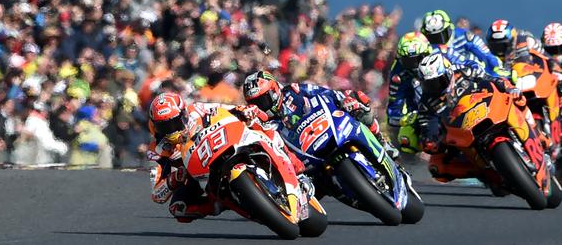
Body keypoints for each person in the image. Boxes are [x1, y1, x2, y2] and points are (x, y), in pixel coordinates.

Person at [147, 92, 310, 223]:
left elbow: (223, 108)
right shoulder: (156, 150)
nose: (171, 129)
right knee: (178, 208)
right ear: (156, 126)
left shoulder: (196, 109)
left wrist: (242, 110)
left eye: (174, 122)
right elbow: (156, 195)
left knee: (260, 125)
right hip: (197, 174)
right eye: (165, 126)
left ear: (183, 114)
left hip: (224, 142)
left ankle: (297, 169)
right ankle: (220, 204)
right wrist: (173, 179)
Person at [242, 71, 399, 158]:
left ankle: (381, 141)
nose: (261, 105)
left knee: (357, 100)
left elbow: (322, 92)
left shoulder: (293, 90)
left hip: (326, 125)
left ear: (274, 90)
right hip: (304, 153)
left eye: (263, 99)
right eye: (255, 103)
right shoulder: (264, 124)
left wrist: (345, 99)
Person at [388, 32, 486, 153]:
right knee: (406, 139)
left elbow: (469, 64)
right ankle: (442, 153)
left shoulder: (442, 51)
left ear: (427, 52)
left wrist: (474, 72)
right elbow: (393, 112)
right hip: (426, 109)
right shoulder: (397, 73)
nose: (414, 66)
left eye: (418, 59)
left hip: (456, 92)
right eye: (407, 61)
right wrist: (408, 117)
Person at [415, 53, 523, 154]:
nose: (435, 87)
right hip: (463, 133)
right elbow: (428, 126)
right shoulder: (425, 104)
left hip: (487, 109)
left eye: (438, 81)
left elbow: (489, 79)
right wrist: (430, 141)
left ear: (449, 73)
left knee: (518, 100)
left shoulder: (464, 71)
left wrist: (508, 87)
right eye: (429, 84)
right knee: (438, 163)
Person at [421, 10, 506, 77]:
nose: (437, 40)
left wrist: (495, 68)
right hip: (449, 81)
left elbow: (487, 55)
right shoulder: (428, 48)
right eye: (432, 37)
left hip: (478, 74)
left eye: (441, 35)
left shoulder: (464, 36)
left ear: (449, 28)